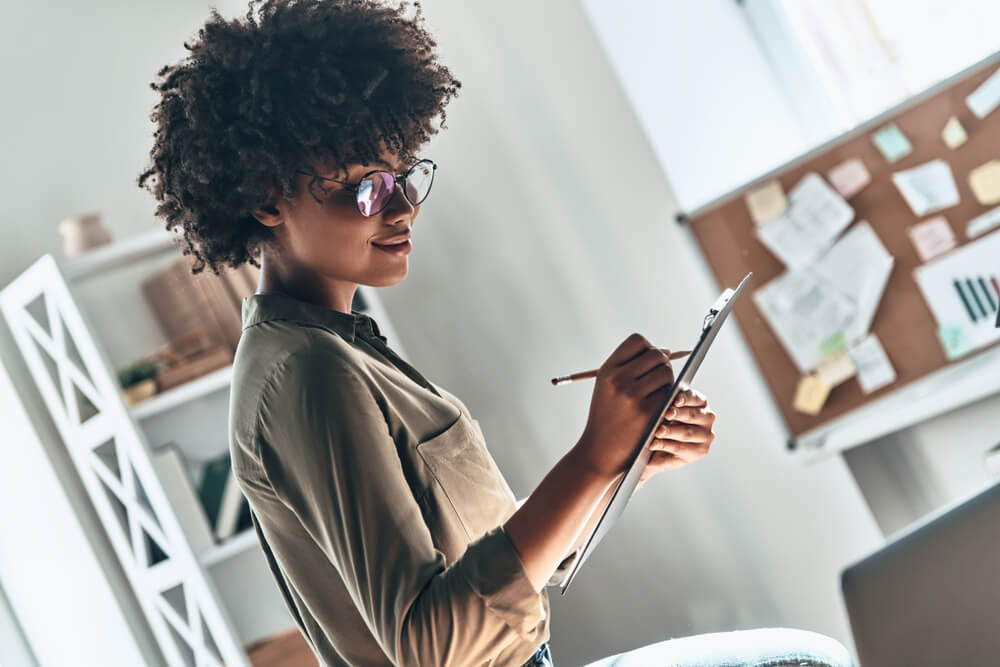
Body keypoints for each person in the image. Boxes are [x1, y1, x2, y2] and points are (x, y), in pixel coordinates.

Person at [137, 1, 855, 665]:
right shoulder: (303, 374)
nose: (405, 206)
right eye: (367, 187)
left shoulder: (340, 344)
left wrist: (615, 464)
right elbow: (430, 645)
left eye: (405, 175)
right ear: (267, 198)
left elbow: (501, 572)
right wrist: (587, 456)